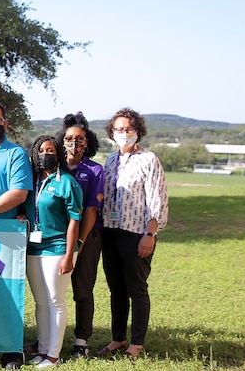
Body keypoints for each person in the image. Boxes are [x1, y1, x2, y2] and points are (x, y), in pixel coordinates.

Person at [96, 108, 168, 360]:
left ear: (137, 131)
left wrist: (151, 233)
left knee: (136, 289)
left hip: (137, 233)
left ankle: (136, 343)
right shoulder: (111, 160)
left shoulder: (149, 159)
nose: (124, 133)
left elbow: (156, 198)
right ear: (111, 133)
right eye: (119, 129)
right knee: (116, 289)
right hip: (111, 232)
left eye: (129, 129)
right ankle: (118, 338)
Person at [25, 136, 83, 368]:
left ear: (58, 154)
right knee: (40, 302)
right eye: (40, 150)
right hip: (33, 247)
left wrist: (69, 255)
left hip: (58, 248)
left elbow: (74, 221)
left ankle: (54, 355)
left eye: (50, 150)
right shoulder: (32, 181)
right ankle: (42, 349)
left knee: (55, 301)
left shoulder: (67, 182)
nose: (44, 154)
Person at [55, 112, 105, 358]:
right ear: (62, 140)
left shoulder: (94, 170)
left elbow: (92, 209)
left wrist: (80, 243)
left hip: (87, 236)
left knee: (82, 290)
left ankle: (81, 341)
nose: (75, 143)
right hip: (56, 237)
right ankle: (50, 338)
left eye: (80, 139)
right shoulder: (55, 166)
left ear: (88, 142)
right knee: (52, 291)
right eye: (70, 138)